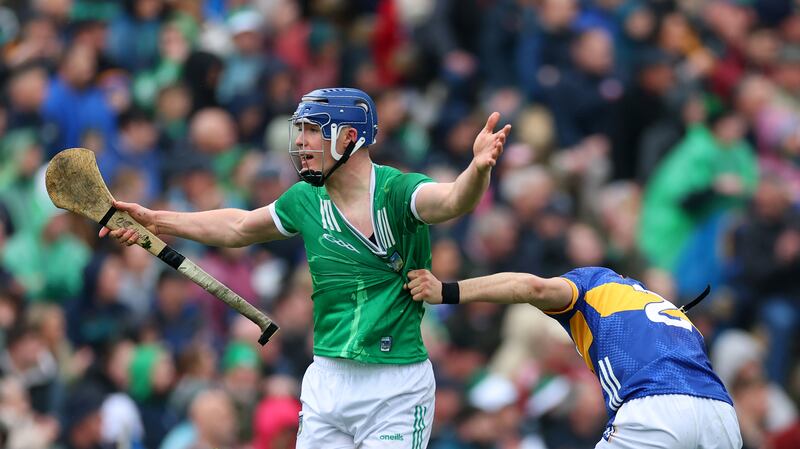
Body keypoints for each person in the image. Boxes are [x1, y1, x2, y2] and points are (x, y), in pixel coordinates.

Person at [100, 87, 512, 449]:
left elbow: (456, 200)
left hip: (396, 386)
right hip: (327, 377)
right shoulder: (304, 200)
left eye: (314, 131)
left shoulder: (398, 192)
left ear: (350, 138)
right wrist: (156, 221)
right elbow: (239, 226)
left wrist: (476, 170)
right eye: (301, 130)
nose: (301, 142)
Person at [404, 266, 742, 449]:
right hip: (722, 414)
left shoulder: (595, 285)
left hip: (657, 406)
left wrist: (447, 291)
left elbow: (532, 288)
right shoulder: (669, 311)